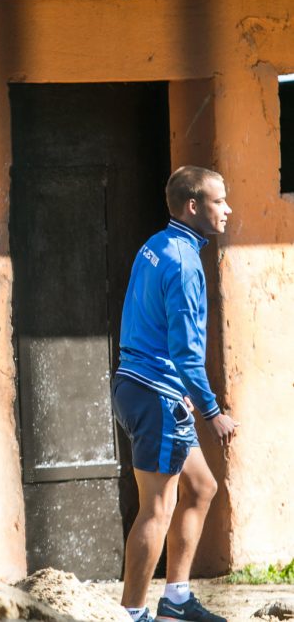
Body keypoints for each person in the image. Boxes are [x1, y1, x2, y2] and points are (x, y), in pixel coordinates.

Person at [113, 166, 239, 622]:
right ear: (193, 206)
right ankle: (132, 613)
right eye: (218, 201)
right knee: (158, 506)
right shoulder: (185, 263)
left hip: (140, 386)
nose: (227, 209)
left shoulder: (156, 245)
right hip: (155, 395)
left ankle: (177, 600)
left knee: (202, 487)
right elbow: (187, 354)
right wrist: (212, 411)